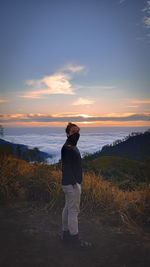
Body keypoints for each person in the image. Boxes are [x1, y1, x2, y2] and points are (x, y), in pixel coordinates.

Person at [61, 122, 91, 248]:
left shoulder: (71, 146)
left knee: (68, 207)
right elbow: (66, 167)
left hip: (68, 183)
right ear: (68, 134)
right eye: (73, 132)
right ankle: (74, 240)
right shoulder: (68, 147)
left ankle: (66, 234)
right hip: (71, 184)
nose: (76, 134)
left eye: (77, 131)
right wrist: (74, 183)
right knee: (73, 211)